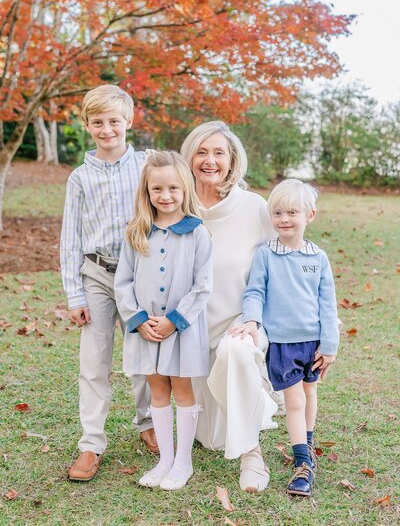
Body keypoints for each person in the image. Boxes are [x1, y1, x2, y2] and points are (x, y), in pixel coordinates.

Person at [60, 84, 157, 482]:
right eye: (97, 122)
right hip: (96, 275)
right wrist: (74, 293)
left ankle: (148, 423)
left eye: (114, 121)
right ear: (87, 125)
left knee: (142, 355)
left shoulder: (146, 165)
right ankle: (91, 443)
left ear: (128, 122)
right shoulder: (80, 177)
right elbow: (70, 237)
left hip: (139, 275)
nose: (106, 129)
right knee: (94, 361)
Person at [180, 121, 283, 493]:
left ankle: (253, 456)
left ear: (232, 159)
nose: (210, 160)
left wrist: (257, 318)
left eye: (218, 152)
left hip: (243, 323)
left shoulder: (253, 207)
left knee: (238, 351)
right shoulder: (176, 204)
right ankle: (253, 404)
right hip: (189, 335)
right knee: (212, 440)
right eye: (201, 151)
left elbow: (283, 267)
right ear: (188, 157)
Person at [114, 150, 212, 490]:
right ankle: (164, 461)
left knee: (181, 389)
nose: (165, 196)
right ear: (147, 191)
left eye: (173, 188)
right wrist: (138, 319)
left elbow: (203, 286)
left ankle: (183, 462)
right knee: (157, 389)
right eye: (157, 190)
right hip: (146, 329)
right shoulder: (136, 232)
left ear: (185, 188)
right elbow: (122, 281)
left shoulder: (197, 232)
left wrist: (174, 320)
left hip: (179, 329)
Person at [239, 178, 339, 497]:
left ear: (309, 215)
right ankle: (302, 465)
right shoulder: (266, 255)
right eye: (278, 212)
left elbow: (327, 303)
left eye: (292, 212)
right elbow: (254, 291)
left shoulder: (317, 258)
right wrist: (252, 320)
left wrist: (330, 345)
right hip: (283, 345)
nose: (284, 219)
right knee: (294, 401)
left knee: (310, 395)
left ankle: (307, 446)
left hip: (314, 344)